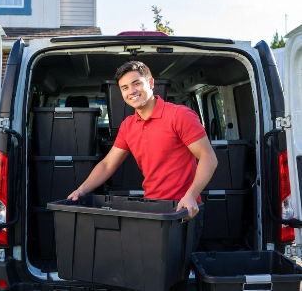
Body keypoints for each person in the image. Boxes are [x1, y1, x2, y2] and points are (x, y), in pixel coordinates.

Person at [68, 61, 218, 290]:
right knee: (147, 275)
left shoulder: (179, 115)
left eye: (136, 83)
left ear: (150, 83)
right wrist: (82, 190)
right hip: (151, 208)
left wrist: (191, 196)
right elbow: (108, 164)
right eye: (125, 88)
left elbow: (209, 158)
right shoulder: (128, 125)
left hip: (182, 210)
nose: (131, 92)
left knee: (174, 279)